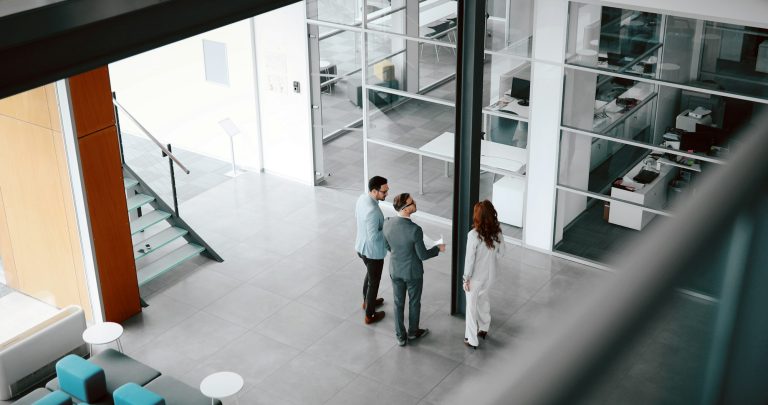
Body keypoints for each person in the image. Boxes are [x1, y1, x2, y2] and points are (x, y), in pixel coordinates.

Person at [383, 193, 445, 346]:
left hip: (395, 270)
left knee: (398, 303)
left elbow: (387, 246)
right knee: (414, 302)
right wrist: (438, 249)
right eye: (412, 202)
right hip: (413, 273)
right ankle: (413, 331)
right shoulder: (415, 230)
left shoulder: (387, 223)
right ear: (404, 209)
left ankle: (400, 336)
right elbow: (423, 255)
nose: (415, 203)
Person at [463, 200, 505, 349]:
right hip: (491, 275)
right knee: (483, 300)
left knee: (471, 307)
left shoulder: (473, 235)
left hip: (475, 277)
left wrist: (466, 278)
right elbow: (502, 254)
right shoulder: (497, 233)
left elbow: (469, 260)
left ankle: (471, 339)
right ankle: (484, 328)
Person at [355, 176, 389, 324]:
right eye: (384, 191)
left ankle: (367, 301)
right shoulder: (373, 211)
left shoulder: (362, 199)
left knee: (370, 276)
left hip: (360, 247)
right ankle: (370, 315)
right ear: (374, 191)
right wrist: (386, 226)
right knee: (374, 282)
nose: (387, 193)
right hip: (372, 252)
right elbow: (374, 237)